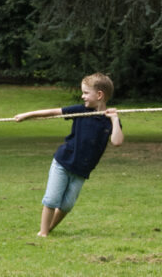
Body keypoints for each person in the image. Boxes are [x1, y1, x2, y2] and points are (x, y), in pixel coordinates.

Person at [14, 73, 124, 237]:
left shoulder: (109, 120)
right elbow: (53, 112)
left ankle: (48, 229)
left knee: (66, 206)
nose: (82, 96)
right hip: (63, 162)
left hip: (82, 170)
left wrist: (115, 120)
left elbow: (117, 141)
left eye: (86, 93)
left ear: (99, 95)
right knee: (52, 199)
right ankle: (43, 233)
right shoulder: (80, 111)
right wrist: (26, 115)